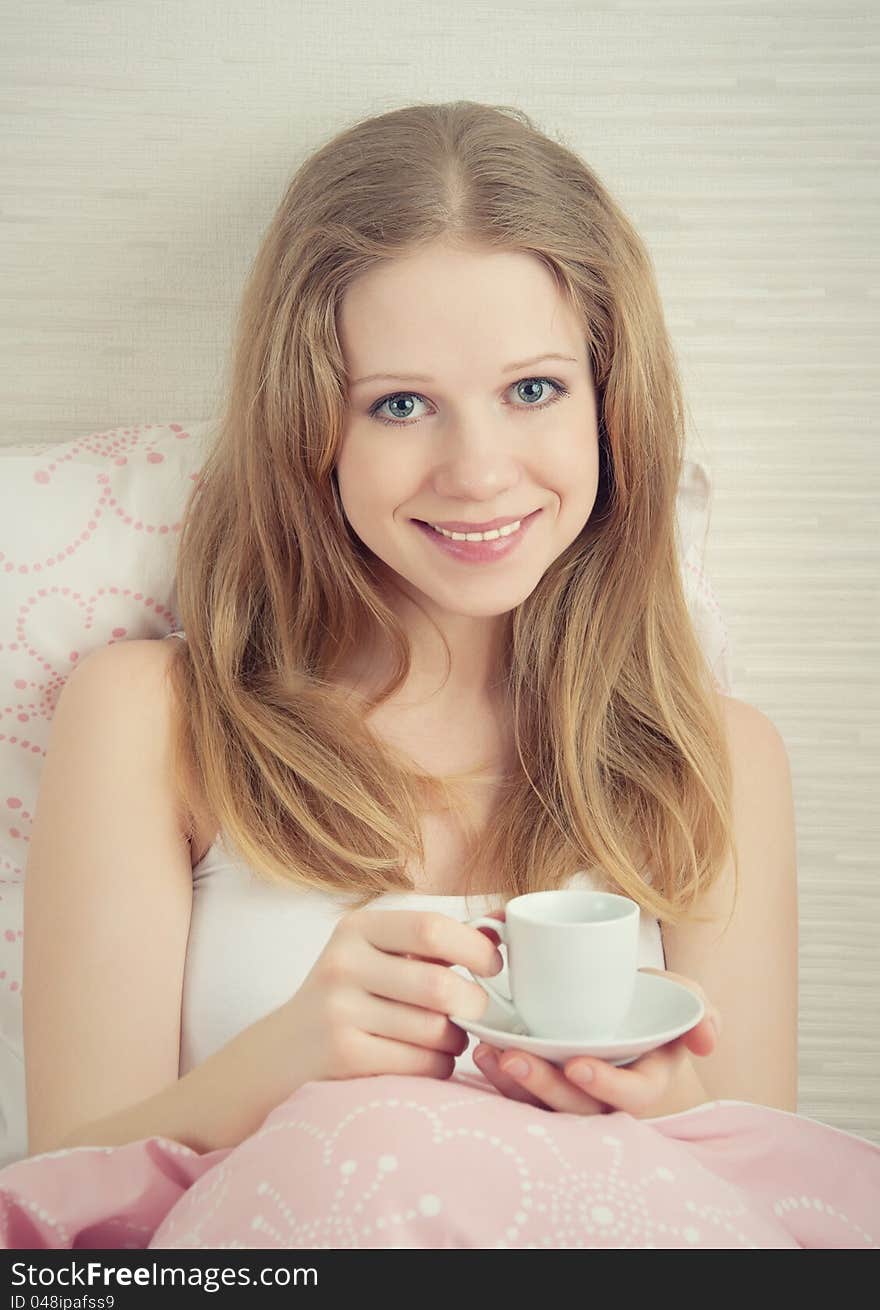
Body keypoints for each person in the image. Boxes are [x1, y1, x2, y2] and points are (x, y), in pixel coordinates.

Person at [22, 101, 797, 1192]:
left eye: (533, 388)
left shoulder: (715, 756)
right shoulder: (151, 717)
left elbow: (780, 1211)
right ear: (312, 429)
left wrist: (675, 1110)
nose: (477, 471)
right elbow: (56, 1222)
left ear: (611, 406)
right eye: (398, 404)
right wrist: (271, 1068)